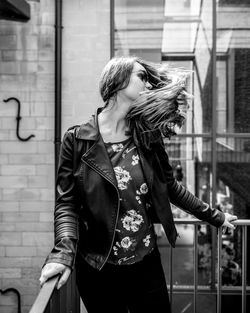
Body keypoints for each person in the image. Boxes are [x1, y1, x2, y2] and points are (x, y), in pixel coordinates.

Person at [39, 56, 237, 313]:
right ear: (118, 81)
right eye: (141, 76)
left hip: (145, 264)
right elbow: (66, 204)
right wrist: (62, 254)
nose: (147, 83)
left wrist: (215, 216)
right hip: (98, 267)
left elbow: (170, 188)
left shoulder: (147, 137)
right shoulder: (77, 140)